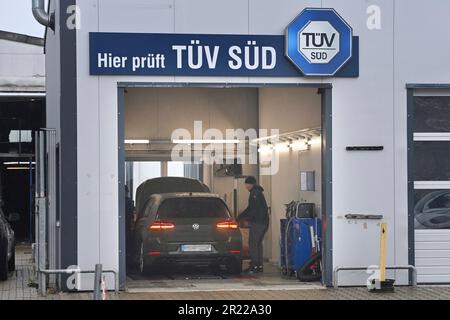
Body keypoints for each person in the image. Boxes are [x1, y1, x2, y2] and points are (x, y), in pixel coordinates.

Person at [236, 176, 269, 274]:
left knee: (253, 244)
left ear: (251, 184)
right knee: (258, 244)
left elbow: (254, 210)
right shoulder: (257, 193)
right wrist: (240, 217)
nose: (246, 186)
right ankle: (259, 265)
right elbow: (250, 208)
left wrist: (247, 219)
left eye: (247, 184)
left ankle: (254, 265)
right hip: (263, 222)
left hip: (258, 223)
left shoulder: (255, 194)